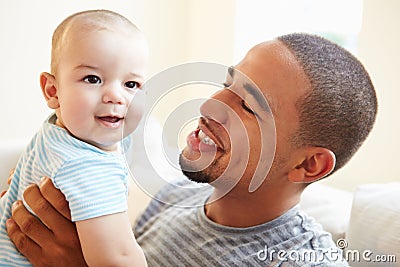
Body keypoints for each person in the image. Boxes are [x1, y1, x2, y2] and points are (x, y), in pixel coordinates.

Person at [5, 33, 377, 266]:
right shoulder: (175, 197)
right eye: (227, 83)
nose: (210, 106)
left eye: (248, 106)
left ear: (308, 165)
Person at [0, 10, 149, 266]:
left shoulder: (58, 132)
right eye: (93, 79)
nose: (116, 96)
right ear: (53, 90)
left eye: (131, 85)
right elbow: (118, 259)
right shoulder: (87, 166)